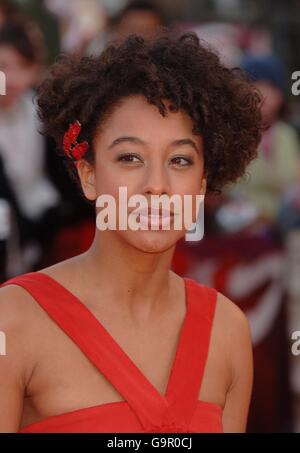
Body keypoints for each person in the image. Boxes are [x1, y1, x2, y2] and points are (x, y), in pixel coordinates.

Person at [0, 31, 262, 433]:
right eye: (129, 157)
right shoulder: (13, 321)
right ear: (88, 175)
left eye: (179, 159)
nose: (156, 185)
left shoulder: (227, 330)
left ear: (203, 181)